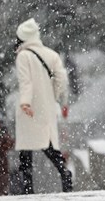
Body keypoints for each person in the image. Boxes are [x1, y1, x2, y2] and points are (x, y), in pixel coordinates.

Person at [14, 18, 73, 193]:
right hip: (46, 107)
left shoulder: (23, 55)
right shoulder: (52, 54)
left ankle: (28, 188)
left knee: (26, 148)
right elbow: (62, 80)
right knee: (47, 143)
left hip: (29, 107)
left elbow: (26, 82)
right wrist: (53, 96)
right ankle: (64, 173)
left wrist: (25, 101)